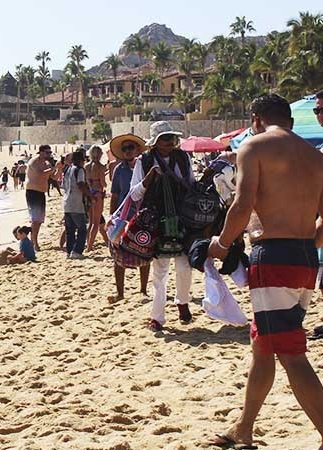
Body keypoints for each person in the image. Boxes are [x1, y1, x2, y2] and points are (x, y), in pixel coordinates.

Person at [207, 93, 323, 450]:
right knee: (264, 344)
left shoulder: (254, 147)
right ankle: (244, 428)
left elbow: (243, 204)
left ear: (256, 118)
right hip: (305, 257)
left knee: (290, 352)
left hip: (273, 255)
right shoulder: (315, 156)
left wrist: (222, 244)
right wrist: (308, 245)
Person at [128, 121, 196, 331]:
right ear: (156, 142)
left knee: (185, 266)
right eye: (164, 138)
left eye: (171, 138)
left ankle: (182, 301)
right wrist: (150, 178)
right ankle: (157, 317)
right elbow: (134, 193)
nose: (169, 142)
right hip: (155, 219)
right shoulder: (144, 161)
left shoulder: (183, 158)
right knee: (160, 271)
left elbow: (191, 183)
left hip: (181, 216)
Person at [107, 134, 151, 302]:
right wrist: (111, 217)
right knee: (118, 254)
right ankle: (120, 293)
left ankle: (143, 290)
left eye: (130, 148)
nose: (127, 151)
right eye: (124, 149)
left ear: (137, 149)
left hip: (142, 215)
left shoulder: (145, 166)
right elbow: (115, 194)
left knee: (144, 251)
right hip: (123, 216)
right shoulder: (119, 169)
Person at [26, 145, 59, 252]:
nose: (49, 155)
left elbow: (53, 177)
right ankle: (33, 243)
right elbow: (39, 174)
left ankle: (34, 241)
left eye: (50, 153)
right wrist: (52, 169)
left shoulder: (46, 163)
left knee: (39, 220)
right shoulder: (34, 162)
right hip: (33, 192)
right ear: (40, 152)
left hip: (41, 193)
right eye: (47, 152)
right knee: (35, 219)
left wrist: (59, 168)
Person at [62, 152, 90, 259]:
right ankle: (77, 250)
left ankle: (69, 251)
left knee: (70, 230)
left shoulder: (68, 169)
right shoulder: (80, 170)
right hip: (76, 203)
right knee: (82, 229)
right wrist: (90, 195)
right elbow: (81, 184)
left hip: (67, 203)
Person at [85, 146, 109, 253]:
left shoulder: (87, 166)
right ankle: (90, 245)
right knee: (96, 222)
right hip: (98, 193)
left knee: (90, 222)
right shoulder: (100, 167)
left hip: (89, 193)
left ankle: (88, 244)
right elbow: (103, 183)